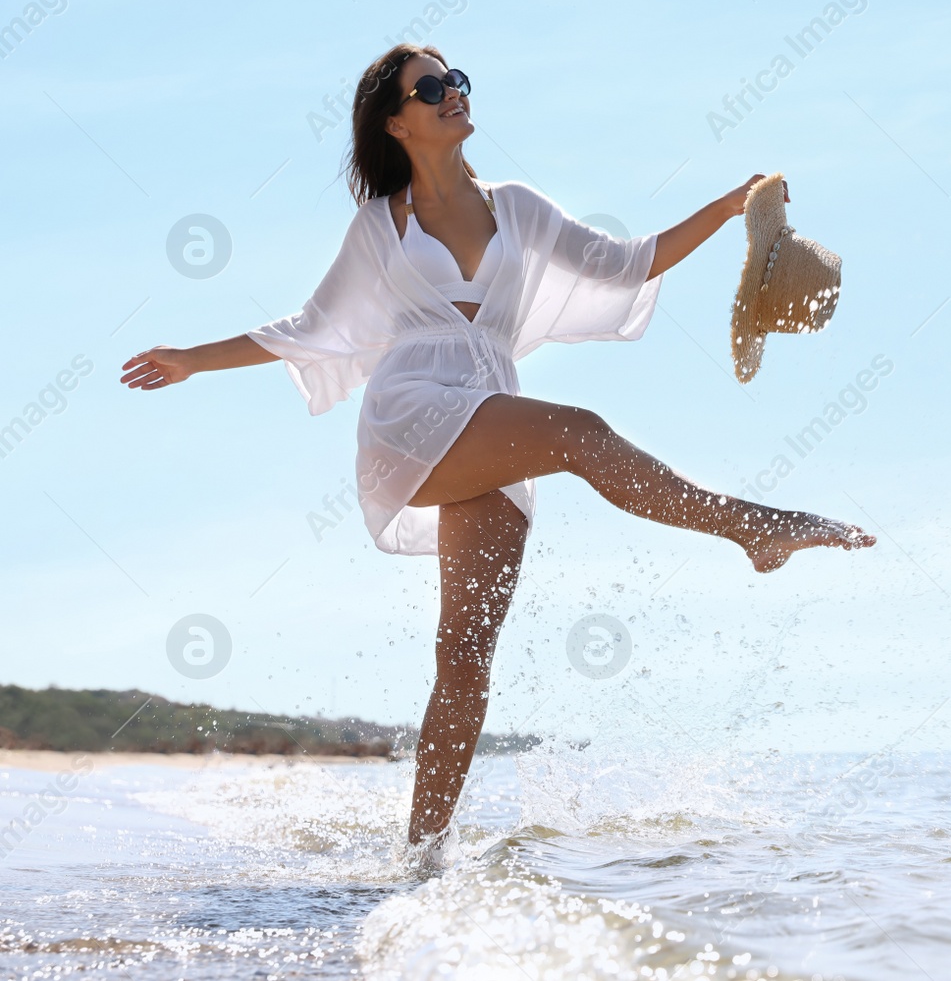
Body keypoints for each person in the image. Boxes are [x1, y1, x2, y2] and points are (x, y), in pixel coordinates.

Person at [120, 44, 874, 849]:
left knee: (466, 652)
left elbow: (630, 264)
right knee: (581, 432)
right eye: (432, 87)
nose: (453, 94)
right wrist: (192, 359)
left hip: (492, 419)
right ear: (396, 121)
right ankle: (750, 526)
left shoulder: (517, 207)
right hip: (412, 416)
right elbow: (309, 329)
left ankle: (421, 859)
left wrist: (727, 209)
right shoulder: (381, 226)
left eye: (458, 81)